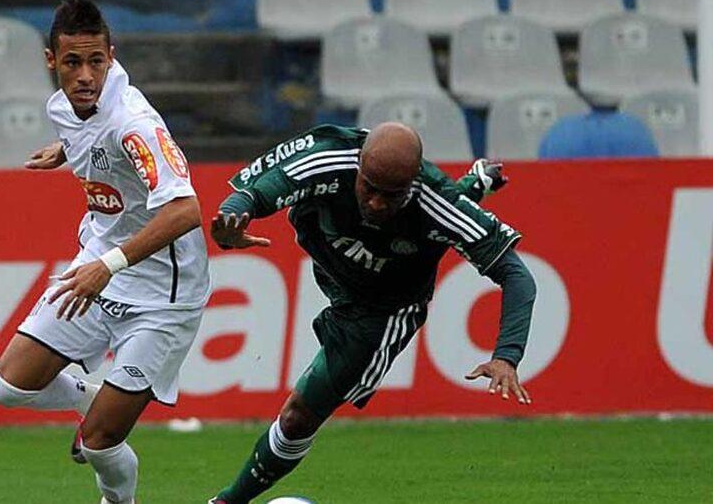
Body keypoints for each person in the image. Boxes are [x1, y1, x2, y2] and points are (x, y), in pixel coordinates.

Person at [207, 123, 536, 504]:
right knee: (426, 215)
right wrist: (232, 217)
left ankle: (227, 501)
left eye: (392, 195)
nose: (377, 203)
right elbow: (259, 189)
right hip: (331, 262)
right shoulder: (330, 157)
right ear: (359, 167)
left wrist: (506, 355)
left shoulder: (436, 202)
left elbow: (517, 276)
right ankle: (475, 184)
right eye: (370, 188)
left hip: (381, 311)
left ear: (412, 185)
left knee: (298, 417)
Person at [0, 0, 211, 504]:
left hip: (162, 298)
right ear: (52, 61)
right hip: (102, 265)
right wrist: (67, 148)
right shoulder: (64, 108)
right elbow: (90, 128)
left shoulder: (137, 125)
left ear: (112, 56)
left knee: (99, 443)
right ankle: (93, 399)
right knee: (7, 387)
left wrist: (105, 268)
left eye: (96, 62)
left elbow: (186, 211)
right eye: (72, 63)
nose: (85, 75)